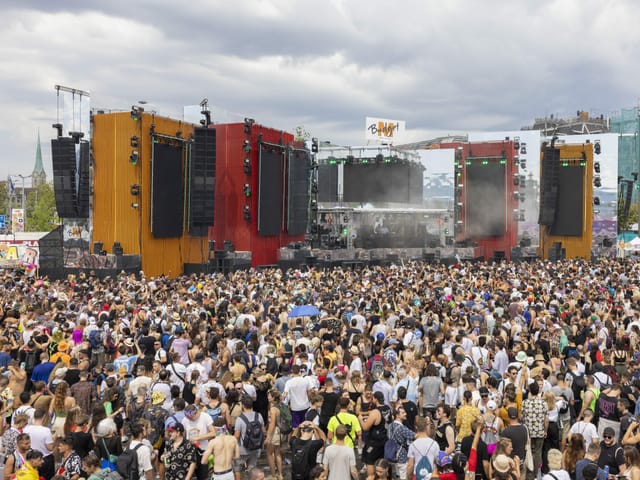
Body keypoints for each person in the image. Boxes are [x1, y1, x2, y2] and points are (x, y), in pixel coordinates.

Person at [233, 396, 264, 472]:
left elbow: (237, 436)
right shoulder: (258, 415)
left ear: (243, 406)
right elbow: (263, 430)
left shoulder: (240, 419)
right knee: (252, 469)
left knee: (237, 469)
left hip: (243, 449)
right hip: (256, 447)